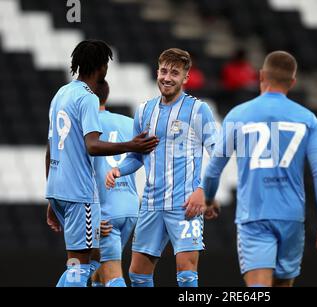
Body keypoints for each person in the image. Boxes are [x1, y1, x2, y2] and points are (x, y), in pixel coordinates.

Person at [199, 51, 317, 287]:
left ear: (261, 76)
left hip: (255, 214)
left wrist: (209, 198)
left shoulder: (238, 115)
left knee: (258, 288)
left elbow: (213, 169)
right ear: (292, 82)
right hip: (291, 216)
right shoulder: (307, 118)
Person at [45, 40, 158, 287]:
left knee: (90, 261)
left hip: (58, 189)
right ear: (101, 67)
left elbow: (50, 148)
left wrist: (51, 198)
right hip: (80, 194)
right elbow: (93, 145)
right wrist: (131, 146)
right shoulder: (87, 99)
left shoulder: (60, 94)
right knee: (81, 264)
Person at [105, 48, 217, 287]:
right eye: (164, 71)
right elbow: (137, 154)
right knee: (138, 275)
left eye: (174, 73)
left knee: (187, 276)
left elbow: (218, 153)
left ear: (185, 78)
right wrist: (120, 170)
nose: (167, 77)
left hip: (185, 204)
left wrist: (203, 190)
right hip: (151, 204)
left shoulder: (199, 110)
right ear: (157, 71)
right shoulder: (144, 110)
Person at [88, 80, 139, 287]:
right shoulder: (130, 123)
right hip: (130, 207)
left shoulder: (85, 127)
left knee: (111, 273)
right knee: (96, 271)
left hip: (103, 209)